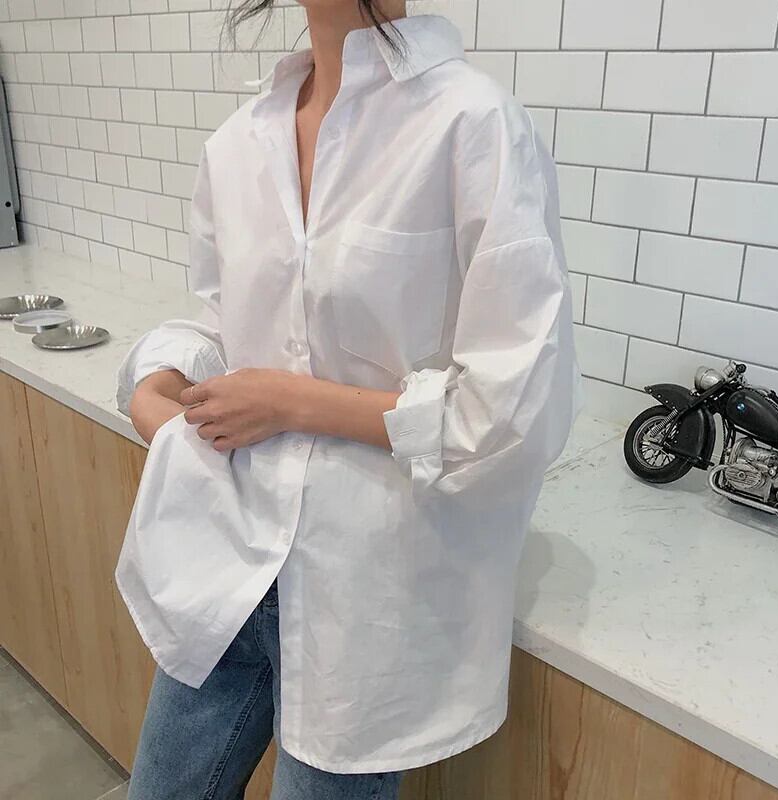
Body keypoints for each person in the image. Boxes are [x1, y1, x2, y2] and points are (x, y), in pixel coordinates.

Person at [115, 1, 584, 798]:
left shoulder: (471, 125)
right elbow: (229, 326)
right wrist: (160, 378)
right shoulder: (239, 143)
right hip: (229, 550)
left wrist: (295, 403)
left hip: (367, 593)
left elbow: (514, 410)